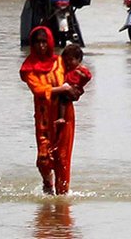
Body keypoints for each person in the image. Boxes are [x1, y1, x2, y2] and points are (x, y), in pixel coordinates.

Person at [21, 27, 84, 195]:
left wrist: (74, 90)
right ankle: (47, 182)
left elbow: (75, 78)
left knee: (63, 158)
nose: (41, 46)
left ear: (49, 42)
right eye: (37, 42)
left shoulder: (60, 62)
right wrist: (61, 89)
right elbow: (38, 90)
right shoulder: (29, 67)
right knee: (44, 158)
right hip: (43, 117)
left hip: (65, 115)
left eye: (44, 41)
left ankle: (62, 198)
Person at [57, 44, 92, 129]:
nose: (68, 62)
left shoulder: (80, 69)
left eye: (71, 60)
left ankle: (61, 117)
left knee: (62, 99)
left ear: (78, 59)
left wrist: (81, 75)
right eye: (66, 60)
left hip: (75, 89)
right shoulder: (68, 69)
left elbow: (89, 77)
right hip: (69, 87)